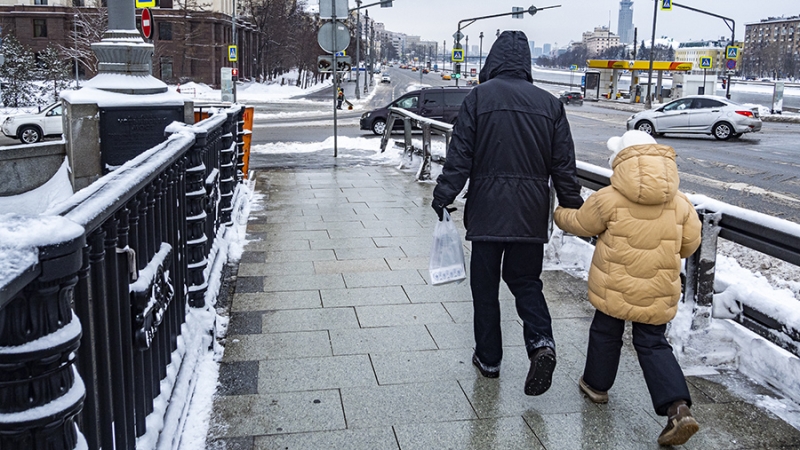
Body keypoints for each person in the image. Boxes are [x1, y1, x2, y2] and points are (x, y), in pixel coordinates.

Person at [431, 30, 584, 396]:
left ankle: (489, 359)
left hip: (486, 211)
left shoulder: (479, 98)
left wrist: (444, 194)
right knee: (526, 282)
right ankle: (542, 344)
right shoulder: (550, 104)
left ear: (493, 60)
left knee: (485, 287)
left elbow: (460, 155)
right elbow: (564, 164)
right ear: (527, 63)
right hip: (531, 214)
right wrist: (572, 205)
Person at [553, 130, 702, 446]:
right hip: (659, 287)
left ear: (622, 161)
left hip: (615, 286)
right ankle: (678, 408)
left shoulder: (609, 198)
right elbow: (689, 245)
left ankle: (596, 385)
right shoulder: (681, 203)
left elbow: (582, 224)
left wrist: (559, 214)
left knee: (606, 331)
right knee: (653, 343)